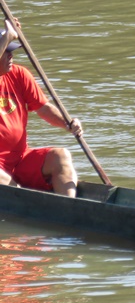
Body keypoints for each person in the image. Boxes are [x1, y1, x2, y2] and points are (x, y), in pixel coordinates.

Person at [0, 19, 83, 197]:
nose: (11, 56)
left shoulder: (19, 74)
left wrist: (68, 124)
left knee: (61, 156)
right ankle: (21, 196)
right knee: (10, 186)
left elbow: (43, 108)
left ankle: (69, 206)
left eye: (11, 51)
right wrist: (7, 36)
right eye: (6, 51)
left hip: (20, 158)